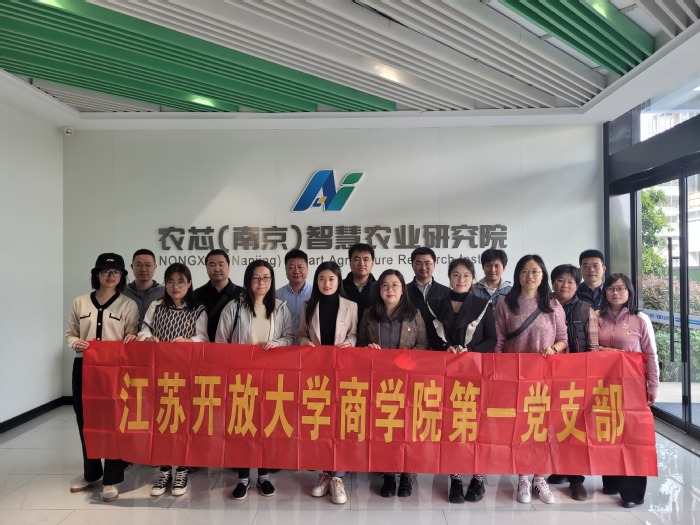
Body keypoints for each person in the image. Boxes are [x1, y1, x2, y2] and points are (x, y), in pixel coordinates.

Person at [215, 260, 295, 500]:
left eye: (266, 277)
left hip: (270, 377)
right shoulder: (234, 307)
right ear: (248, 280)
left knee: (266, 426)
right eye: (256, 278)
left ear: (272, 281)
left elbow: (290, 337)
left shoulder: (280, 308)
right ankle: (242, 477)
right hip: (241, 377)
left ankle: (263, 475)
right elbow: (220, 342)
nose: (262, 282)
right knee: (242, 425)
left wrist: (278, 343)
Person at [494, 254, 568, 505]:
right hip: (515, 377)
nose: (530, 276)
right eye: (525, 271)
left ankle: (539, 477)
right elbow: (499, 340)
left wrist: (553, 349)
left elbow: (563, 339)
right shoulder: (505, 303)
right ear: (517, 275)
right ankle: (523, 477)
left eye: (535, 271)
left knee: (543, 426)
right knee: (520, 427)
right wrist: (499, 371)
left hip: (544, 378)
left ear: (543, 275)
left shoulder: (552, 304)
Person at [65, 253, 139, 503]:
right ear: (97, 274)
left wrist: (132, 338)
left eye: (116, 272)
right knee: (85, 420)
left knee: (114, 421)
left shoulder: (128, 305)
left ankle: (112, 479)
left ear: (122, 276)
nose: (110, 276)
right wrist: (75, 342)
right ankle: (91, 473)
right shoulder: (80, 302)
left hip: (114, 371)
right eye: (105, 271)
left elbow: (132, 335)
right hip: (84, 367)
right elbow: (70, 333)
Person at [427, 258, 496, 503]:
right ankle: (455, 476)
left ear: (473, 278)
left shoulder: (483, 304)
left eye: (466, 275)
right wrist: (444, 348)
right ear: (449, 278)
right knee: (451, 425)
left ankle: (478, 478)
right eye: (456, 275)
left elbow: (492, 340)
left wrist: (471, 351)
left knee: (477, 425)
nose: (461, 279)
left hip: (475, 374)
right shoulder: (436, 304)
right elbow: (431, 339)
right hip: (446, 375)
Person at [137, 263, 208, 497]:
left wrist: (190, 342)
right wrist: (147, 338)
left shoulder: (198, 309)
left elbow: (204, 339)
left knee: (185, 422)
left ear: (189, 284)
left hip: (187, 376)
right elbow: (143, 329)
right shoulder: (156, 306)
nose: (175, 286)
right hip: (159, 375)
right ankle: (165, 469)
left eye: (180, 282)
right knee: (162, 422)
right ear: (165, 284)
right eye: (170, 282)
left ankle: (183, 469)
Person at [357, 269, 428, 499]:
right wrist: (368, 350)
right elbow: (360, 345)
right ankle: (388, 474)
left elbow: (423, 346)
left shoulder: (414, 315)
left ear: (402, 289)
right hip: (379, 383)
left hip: (407, 382)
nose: (390, 289)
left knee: (406, 428)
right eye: (385, 285)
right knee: (384, 428)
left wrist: (404, 359)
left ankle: (406, 474)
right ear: (379, 290)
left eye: (395, 285)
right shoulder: (369, 314)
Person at [597, 273, 659, 508]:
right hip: (603, 387)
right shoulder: (597, 317)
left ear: (629, 291)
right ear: (604, 291)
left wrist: (653, 385)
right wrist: (608, 352)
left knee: (633, 436)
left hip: (633, 387)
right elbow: (591, 348)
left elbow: (650, 354)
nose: (615, 292)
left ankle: (633, 493)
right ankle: (612, 482)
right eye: (611, 288)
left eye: (621, 288)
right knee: (608, 432)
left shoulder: (640, 319)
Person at [298, 260, 357, 504]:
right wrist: (305, 343)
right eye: (322, 279)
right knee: (321, 420)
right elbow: (301, 333)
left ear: (338, 281)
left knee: (340, 420)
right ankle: (324, 473)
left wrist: (349, 344)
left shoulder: (351, 306)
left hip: (343, 371)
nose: (327, 283)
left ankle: (338, 476)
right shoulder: (308, 305)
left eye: (331, 279)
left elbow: (355, 333)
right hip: (317, 372)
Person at [546, 264, 599, 501]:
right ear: (552, 283)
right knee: (552, 424)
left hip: (576, 379)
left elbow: (593, 349)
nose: (564, 285)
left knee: (574, 427)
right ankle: (559, 468)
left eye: (570, 282)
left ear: (577, 286)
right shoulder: (543, 306)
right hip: (547, 376)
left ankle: (577, 479)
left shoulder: (586, 311)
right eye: (559, 280)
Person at [405, 247, 450, 350]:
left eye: (427, 263)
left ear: (434, 264)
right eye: (418, 263)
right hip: (413, 347)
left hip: (440, 347)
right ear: (412, 265)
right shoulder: (404, 291)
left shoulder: (446, 292)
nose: (423, 267)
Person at [195, 249, 243, 342]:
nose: (217, 269)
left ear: (228, 267)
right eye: (212, 265)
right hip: (204, 347)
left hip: (233, 347)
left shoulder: (242, 294)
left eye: (221, 264)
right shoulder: (196, 295)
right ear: (206, 267)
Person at [122, 248, 164, 331]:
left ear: (155, 267)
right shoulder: (122, 292)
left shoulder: (164, 293)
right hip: (127, 337)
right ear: (132, 267)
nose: (143, 269)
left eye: (148, 265)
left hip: (155, 338)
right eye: (138, 265)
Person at [276, 249, 312, 336]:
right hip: (284, 342)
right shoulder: (277, 295)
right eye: (291, 267)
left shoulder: (315, 293)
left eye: (300, 267)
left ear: (307, 269)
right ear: (285, 270)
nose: (296, 271)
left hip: (309, 343)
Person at [342, 243, 377, 324]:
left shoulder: (380, 288)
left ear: (372, 263)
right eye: (356, 259)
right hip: (345, 331)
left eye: (366, 259)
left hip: (371, 332)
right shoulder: (339, 287)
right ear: (350, 263)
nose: (361, 263)